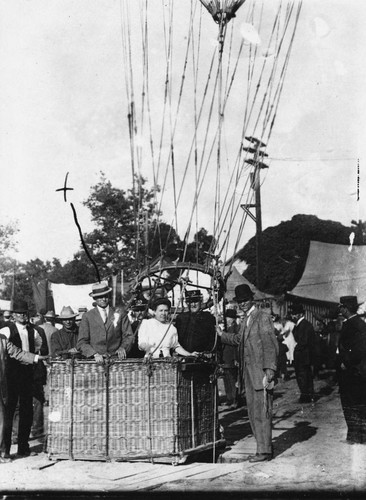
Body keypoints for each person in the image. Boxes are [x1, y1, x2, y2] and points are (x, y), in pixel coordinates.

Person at [217, 284, 278, 462]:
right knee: (253, 413)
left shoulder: (262, 317)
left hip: (261, 373)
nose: (242, 304)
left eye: (245, 300)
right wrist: (222, 335)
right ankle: (263, 448)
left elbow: (270, 345)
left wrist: (270, 370)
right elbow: (238, 340)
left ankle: (264, 451)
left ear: (251, 299)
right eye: (240, 301)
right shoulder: (247, 319)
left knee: (262, 412)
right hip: (249, 375)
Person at [0, 300, 43, 458]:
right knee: (9, 412)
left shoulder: (34, 331)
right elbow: (8, 350)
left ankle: (23, 447)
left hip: (27, 374)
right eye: (19, 313)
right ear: (13, 315)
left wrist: (33, 358)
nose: (22, 316)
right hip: (10, 376)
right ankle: (5, 450)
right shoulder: (6, 330)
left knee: (27, 411)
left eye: (24, 313)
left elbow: (38, 345)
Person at [77, 281, 135, 364]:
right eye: (100, 297)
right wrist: (94, 354)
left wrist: (123, 348)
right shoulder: (87, 316)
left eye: (105, 296)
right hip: (95, 363)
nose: (103, 299)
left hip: (117, 361)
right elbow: (81, 342)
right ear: (94, 298)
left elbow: (129, 336)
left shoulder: (120, 313)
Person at [337, 295, 366, 444]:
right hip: (351, 371)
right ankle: (355, 435)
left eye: (341, 306)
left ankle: (358, 436)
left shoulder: (357, 324)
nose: (339, 309)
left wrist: (346, 362)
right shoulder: (352, 322)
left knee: (353, 403)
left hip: (353, 371)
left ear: (346, 308)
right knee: (352, 403)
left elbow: (360, 348)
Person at [176, 290, 217, 354]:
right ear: (186, 303)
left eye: (196, 301)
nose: (193, 304)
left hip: (202, 357)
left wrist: (208, 352)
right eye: (190, 302)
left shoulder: (208, 318)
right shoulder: (181, 318)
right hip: (183, 355)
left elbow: (213, 340)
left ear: (201, 301)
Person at [291, 303, 315, 403]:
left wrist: (297, 349)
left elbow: (303, 341)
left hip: (303, 355)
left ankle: (306, 396)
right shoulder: (301, 324)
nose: (292, 316)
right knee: (304, 375)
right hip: (304, 355)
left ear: (300, 314)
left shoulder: (304, 325)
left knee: (303, 376)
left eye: (294, 314)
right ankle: (307, 395)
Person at [220, 309, 239, 409]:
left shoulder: (236, 329)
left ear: (233, 319)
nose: (226, 319)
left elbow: (236, 345)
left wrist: (237, 358)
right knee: (226, 379)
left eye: (228, 318)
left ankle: (235, 400)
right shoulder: (227, 329)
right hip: (225, 358)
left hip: (232, 357)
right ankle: (229, 399)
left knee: (233, 379)